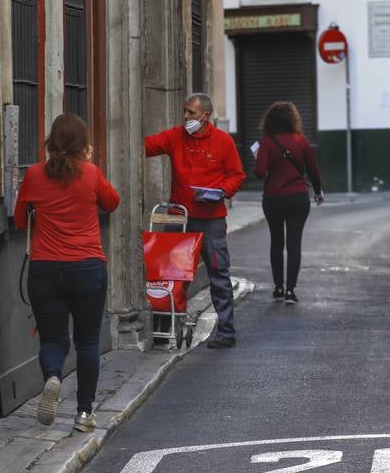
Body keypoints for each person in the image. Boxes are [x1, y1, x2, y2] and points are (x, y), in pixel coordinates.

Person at [13, 114, 120, 432]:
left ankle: (53, 377)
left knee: (52, 337)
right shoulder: (91, 173)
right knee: (87, 341)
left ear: (51, 142)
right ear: (83, 145)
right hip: (87, 267)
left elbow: (20, 221)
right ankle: (84, 414)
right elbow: (112, 202)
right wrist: (90, 165)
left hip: (44, 269)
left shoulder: (33, 175)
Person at [145, 93, 245, 348]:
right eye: (185, 111)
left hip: (211, 219)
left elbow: (237, 175)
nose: (186, 117)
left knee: (218, 273)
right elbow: (146, 146)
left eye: (191, 113)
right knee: (170, 275)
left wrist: (222, 191)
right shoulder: (175, 136)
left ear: (205, 116)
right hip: (179, 218)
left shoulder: (223, 141)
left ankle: (226, 331)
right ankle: (165, 329)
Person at [254, 101, 324, 305]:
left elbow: (259, 173)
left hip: (273, 199)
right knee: (294, 245)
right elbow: (313, 170)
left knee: (277, 243)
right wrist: (318, 192)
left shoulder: (266, 142)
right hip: (298, 198)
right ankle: (291, 291)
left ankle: (278, 288)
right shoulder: (301, 140)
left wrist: (259, 157)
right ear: (293, 119)